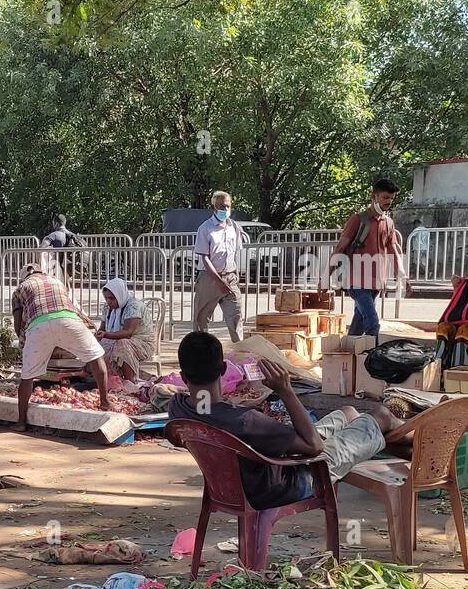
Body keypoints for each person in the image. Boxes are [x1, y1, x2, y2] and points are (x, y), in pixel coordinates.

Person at [169, 331, 404, 508]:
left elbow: (210, 412)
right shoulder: (245, 421)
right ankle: (423, 440)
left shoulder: (177, 409)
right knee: (381, 416)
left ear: (183, 376)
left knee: (350, 413)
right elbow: (314, 447)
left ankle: (416, 443)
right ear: (223, 369)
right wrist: (285, 390)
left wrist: (229, 407)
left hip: (237, 484)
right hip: (291, 481)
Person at [11, 263, 113, 428]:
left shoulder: (20, 289)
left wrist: (27, 346)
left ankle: (21, 422)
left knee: (27, 376)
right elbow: (70, 308)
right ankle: (105, 402)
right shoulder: (57, 281)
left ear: (24, 277)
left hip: (38, 325)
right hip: (68, 320)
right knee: (96, 356)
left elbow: (18, 326)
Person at [329, 178, 404, 341]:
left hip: (376, 282)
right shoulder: (358, 220)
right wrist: (325, 276)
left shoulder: (389, 223)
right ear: (374, 196)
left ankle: (346, 358)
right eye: (385, 197)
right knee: (373, 323)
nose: (388, 202)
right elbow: (340, 248)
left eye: (391, 198)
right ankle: (373, 361)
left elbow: (393, 251)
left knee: (358, 323)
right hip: (356, 281)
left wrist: (402, 277)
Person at [193, 190, 247, 342]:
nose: (225, 210)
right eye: (221, 207)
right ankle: (201, 354)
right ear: (214, 208)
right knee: (201, 320)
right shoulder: (205, 228)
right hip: (209, 279)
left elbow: (234, 253)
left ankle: (240, 354)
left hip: (230, 277)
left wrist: (235, 275)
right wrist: (218, 281)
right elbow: (204, 257)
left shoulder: (234, 227)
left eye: (227, 206)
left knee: (236, 317)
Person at [95, 276, 155, 382]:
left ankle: (130, 382)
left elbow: (127, 333)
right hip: (116, 340)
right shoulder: (107, 308)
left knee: (122, 344)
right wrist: (97, 336)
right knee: (96, 348)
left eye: (112, 298)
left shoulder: (133, 306)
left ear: (120, 295)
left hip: (142, 344)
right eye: (106, 298)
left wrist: (105, 335)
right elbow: (102, 329)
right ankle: (104, 379)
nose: (109, 301)